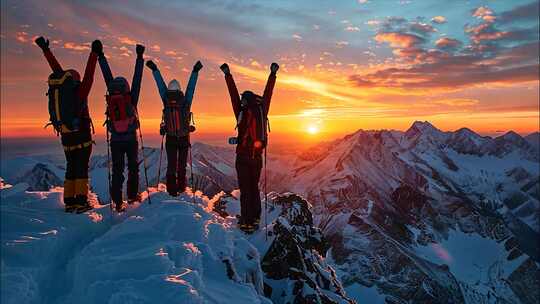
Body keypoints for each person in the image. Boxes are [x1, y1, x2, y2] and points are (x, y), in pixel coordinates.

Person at [35, 36, 101, 213]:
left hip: (65, 135)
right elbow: (89, 75)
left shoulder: (63, 92)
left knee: (71, 167)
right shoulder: (80, 92)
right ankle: (80, 202)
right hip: (82, 135)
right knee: (81, 169)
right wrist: (94, 54)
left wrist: (45, 50)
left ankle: (69, 201)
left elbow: (56, 69)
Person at [220, 62, 278, 233]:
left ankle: (246, 222)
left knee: (246, 190)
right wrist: (272, 74)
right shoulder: (262, 108)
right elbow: (269, 93)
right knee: (254, 187)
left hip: (243, 157)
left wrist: (227, 75)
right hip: (257, 157)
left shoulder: (241, 110)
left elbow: (232, 94)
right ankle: (256, 218)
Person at [97, 43, 145, 212]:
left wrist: (100, 56)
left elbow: (106, 75)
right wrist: (139, 58)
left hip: (116, 140)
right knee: (133, 168)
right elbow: (137, 78)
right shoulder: (130, 98)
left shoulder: (112, 95)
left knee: (117, 171)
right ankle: (132, 197)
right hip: (131, 139)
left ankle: (117, 202)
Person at [145, 60, 203, 196]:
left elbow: (160, 85)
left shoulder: (166, 98)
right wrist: (195, 71)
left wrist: (155, 69)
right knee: (181, 165)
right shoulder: (185, 101)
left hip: (170, 137)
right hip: (183, 137)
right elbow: (191, 88)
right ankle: (182, 188)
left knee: (171, 165)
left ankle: (171, 190)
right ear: (179, 90)